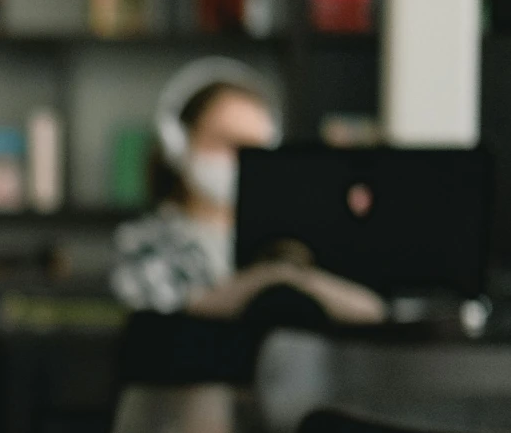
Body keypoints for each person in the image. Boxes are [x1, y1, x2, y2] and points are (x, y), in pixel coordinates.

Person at [110, 59, 384, 324]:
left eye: (255, 148)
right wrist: (271, 279)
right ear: (178, 142)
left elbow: (371, 311)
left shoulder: (292, 238)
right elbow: (164, 320)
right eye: (226, 142)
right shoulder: (141, 242)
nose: (241, 159)